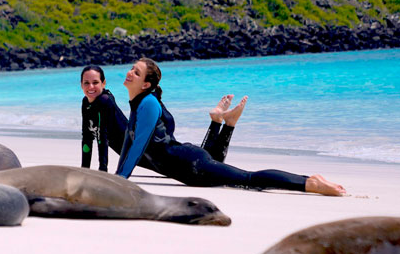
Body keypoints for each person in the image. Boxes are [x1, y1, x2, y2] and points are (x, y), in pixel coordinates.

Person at [114, 57, 346, 196]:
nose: (129, 73)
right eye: (132, 68)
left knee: (248, 180)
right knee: (244, 179)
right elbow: (128, 143)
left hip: (191, 165)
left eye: (136, 72)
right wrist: (118, 176)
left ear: (146, 84)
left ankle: (309, 183)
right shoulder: (138, 105)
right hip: (187, 164)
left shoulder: (149, 104)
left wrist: (121, 181)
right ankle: (223, 122)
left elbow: (139, 145)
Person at [79, 65, 128, 172]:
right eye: (86, 83)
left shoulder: (105, 101)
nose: (91, 87)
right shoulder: (85, 102)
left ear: (103, 83)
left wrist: (103, 169)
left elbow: (102, 136)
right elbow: (87, 136)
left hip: (133, 147)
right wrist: (84, 169)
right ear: (81, 85)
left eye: (95, 82)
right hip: (120, 148)